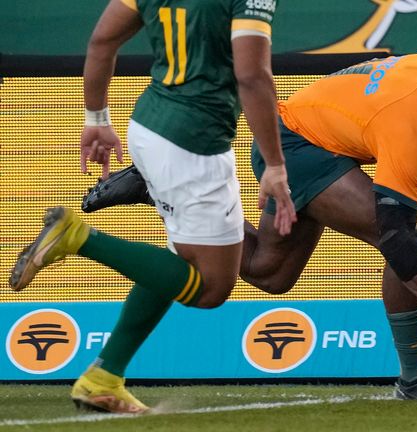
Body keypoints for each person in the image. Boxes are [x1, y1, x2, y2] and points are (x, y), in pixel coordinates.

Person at [80, 39, 417, 400]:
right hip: (298, 147)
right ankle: (414, 377)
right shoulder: (410, 114)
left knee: (270, 272)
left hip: (317, 136)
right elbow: (394, 233)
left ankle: (158, 187)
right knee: (401, 239)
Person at [9, 0, 295, 414]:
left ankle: (103, 377)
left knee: (180, 261)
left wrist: (96, 117)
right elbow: (251, 74)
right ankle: (77, 236)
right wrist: (274, 164)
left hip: (149, 126)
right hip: (194, 143)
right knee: (211, 287)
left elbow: (102, 40)